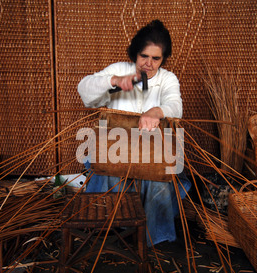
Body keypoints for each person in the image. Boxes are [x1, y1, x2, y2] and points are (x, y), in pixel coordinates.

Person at [77, 20, 191, 246]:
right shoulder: (119, 70)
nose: (148, 63)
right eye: (143, 56)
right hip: (115, 150)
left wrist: (156, 111)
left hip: (152, 155)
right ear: (135, 53)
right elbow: (85, 89)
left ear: (163, 59)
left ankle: (150, 235)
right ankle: (110, 226)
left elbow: (175, 106)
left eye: (156, 58)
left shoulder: (167, 79)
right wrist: (113, 81)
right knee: (108, 170)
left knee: (157, 179)